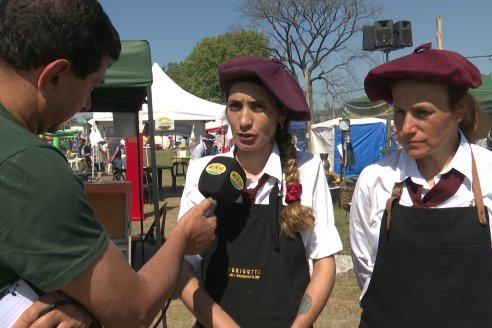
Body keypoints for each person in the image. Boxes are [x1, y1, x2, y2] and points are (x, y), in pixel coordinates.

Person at [0, 1, 217, 327]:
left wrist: (76, 306)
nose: (86, 104)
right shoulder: (28, 166)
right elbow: (133, 310)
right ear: (55, 76)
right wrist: (183, 236)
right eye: (91, 86)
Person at [176, 55, 343, 327]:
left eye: (258, 106)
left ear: (281, 114)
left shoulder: (307, 169)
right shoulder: (203, 171)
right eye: (235, 106)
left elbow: (324, 261)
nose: (244, 120)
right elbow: (182, 267)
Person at [349, 43, 492, 327]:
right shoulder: (375, 180)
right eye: (400, 112)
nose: (405, 128)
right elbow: (367, 272)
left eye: (422, 113)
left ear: (459, 110)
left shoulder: (489, 175)